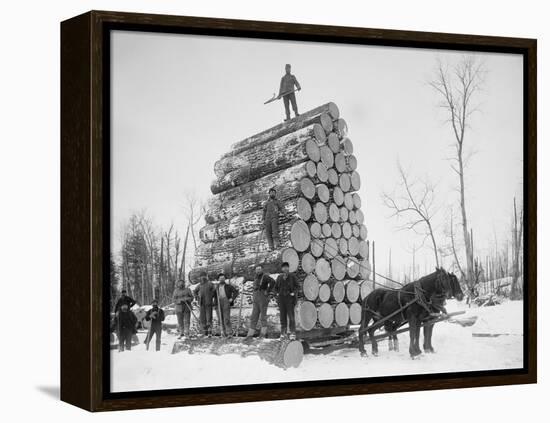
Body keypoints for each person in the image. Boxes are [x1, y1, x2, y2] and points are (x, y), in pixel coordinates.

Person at [246, 265, 276, 339]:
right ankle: (250, 334)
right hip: (256, 297)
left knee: (263, 316)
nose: (258, 270)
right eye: (257, 269)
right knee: (254, 316)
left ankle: (263, 334)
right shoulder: (256, 277)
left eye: (259, 269)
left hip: (262, 296)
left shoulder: (265, 276)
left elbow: (273, 282)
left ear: (262, 270)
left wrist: (268, 291)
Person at [274, 262, 298, 339]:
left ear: (288, 268)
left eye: (286, 267)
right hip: (281, 299)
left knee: (291, 316)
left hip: (289, 298)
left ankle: (292, 332)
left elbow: (297, 286)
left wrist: (293, 293)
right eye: (283, 267)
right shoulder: (279, 277)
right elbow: (275, 287)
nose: (285, 269)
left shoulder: (292, 276)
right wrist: (277, 293)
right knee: (282, 316)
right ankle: (283, 332)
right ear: (282, 269)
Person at [193, 271, 216, 337]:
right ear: (200, 277)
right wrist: (197, 297)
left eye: (204, 276)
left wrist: (211, 295)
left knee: (209, 318)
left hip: (209, 303)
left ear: (206, 276)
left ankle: (209, 332)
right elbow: (194, 292)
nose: (202, 277)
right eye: (201, 276)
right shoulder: (199, 285)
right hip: (202, 304)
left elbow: (214, 291)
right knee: (203, 318)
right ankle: (204, 332)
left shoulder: (210, 284)